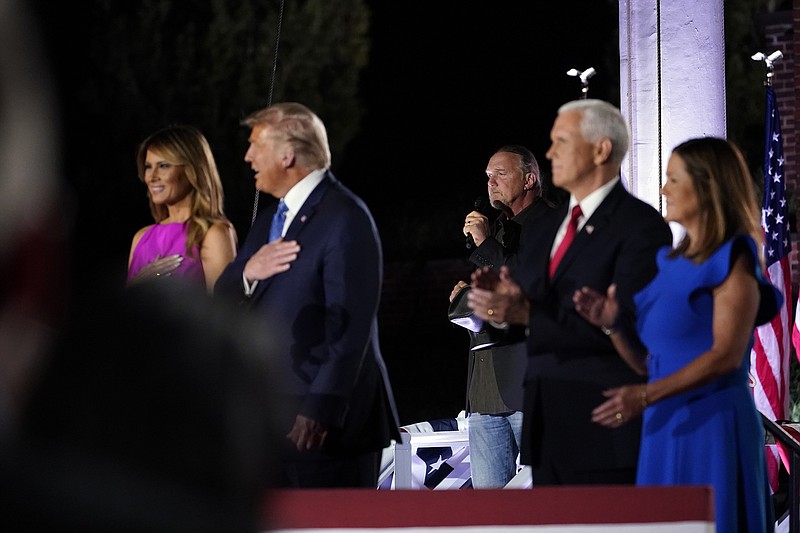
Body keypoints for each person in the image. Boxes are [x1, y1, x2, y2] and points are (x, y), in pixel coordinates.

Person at [572, 137, 780, 532]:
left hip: (712, 427)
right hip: (663, 424)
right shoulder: (667, 263)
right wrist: (612, 323)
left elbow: (725, 356)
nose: (664, 189)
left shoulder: (734, 257)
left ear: (707, 187)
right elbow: (652, 364)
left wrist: (646, 396)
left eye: (673, 179)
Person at [466, 99, 673, 485]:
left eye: (561, 141)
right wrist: (501, 306)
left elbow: (634, 329)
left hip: (602, 416)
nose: (549, 153)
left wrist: (528, 313)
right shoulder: (548, 227)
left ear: (601, 149)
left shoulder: (639, 227)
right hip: (547, 420)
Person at [214, 102, 401, 488]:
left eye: (255, 146)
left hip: (327, 427)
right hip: (273, 417)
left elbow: (351, 326)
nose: (248, 156)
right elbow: (224, 292)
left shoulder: (345, 216)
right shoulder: (269, 219)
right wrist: (249, 271)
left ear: (287, 154)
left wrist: (321, 408)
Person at [447, 145, 558, 488]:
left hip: (526, 386)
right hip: (483, 389)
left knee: (542, 502)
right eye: (488, 176)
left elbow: (527, 284)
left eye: (501, 174)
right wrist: (465, 298)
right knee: (490, 509)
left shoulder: (549, 222)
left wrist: (484, 245)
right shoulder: (498, 228)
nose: (491, 182)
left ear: (529, 179)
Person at [127, 125, 237, 292]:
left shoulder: (212, 233)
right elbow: (120, 313)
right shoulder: (141, 238)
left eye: (163, 165)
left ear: (191, 170)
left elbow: (223, 310)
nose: (151, 177)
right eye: (148, 166)